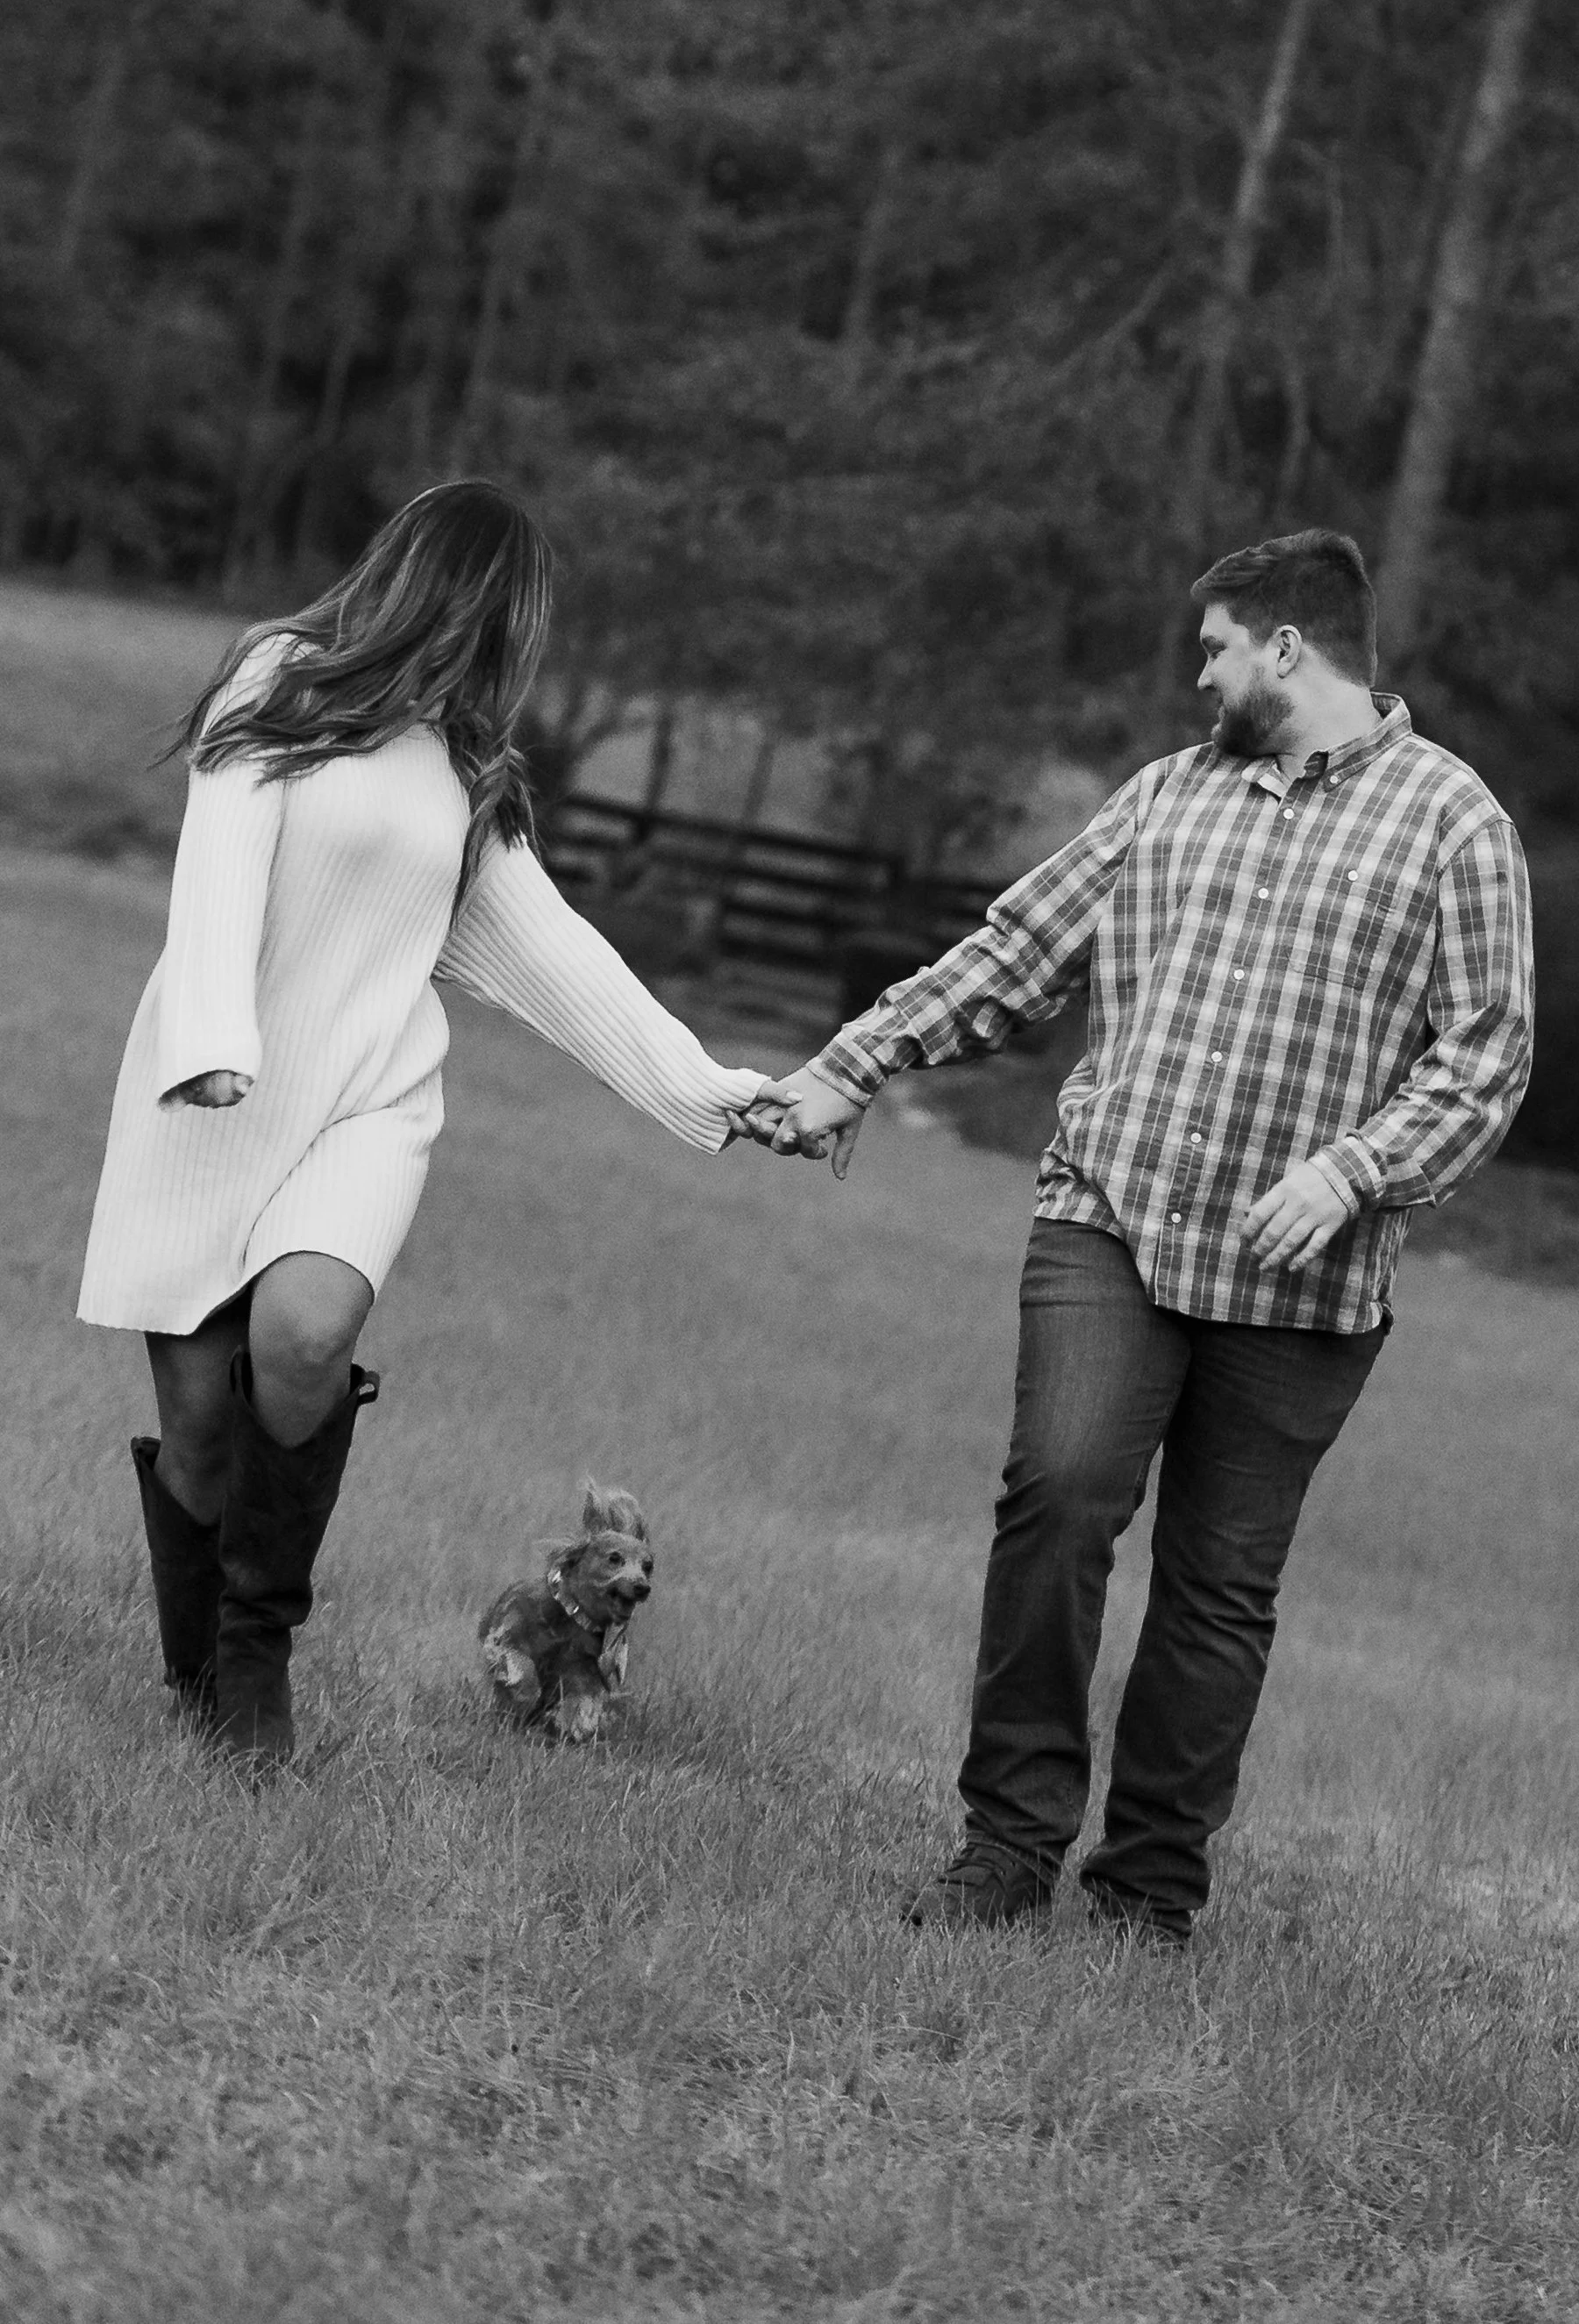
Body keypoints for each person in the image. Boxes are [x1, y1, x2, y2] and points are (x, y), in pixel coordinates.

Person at [739, 531, 1533, 1947]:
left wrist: (1356, 1172)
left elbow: (1486, 1061)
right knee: (1061, 1494)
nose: (1203, 673)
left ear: (1290, 649)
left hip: (1305, 1283)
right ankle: (1004, 1850)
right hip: (1112, 1214)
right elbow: (1014, 951)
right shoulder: (1170, 795)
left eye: (1220, 646)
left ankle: (1148, 1894)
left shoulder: (1455, 827)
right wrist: (854, 1063)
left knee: (1221, 1587)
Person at [78, 480, 795, 1768]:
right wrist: (213, 1042)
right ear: (458, 589)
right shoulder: (277, 680)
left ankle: (256, 1658)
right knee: (194, 1433)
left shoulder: (471, 768)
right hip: (208, 1086)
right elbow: (220, 860)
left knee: (304, 1335)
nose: (519, 641)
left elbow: (557, 954)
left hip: (368, 1098)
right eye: (518, 611)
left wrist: (712, 1091)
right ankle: (195, 1679)